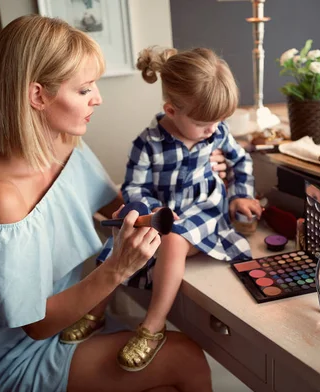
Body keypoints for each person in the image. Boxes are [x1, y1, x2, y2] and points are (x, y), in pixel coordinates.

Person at [0, 15, 225, 392]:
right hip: (21, 354)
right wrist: (118, 269)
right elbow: (35, 325)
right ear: (38, 96)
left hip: (77, 321)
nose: (98, 97)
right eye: (84, 89)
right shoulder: (1, 197)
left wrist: (184, 179)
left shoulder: (63, 143)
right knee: (186, 357)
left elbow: (119, 205)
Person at [92, 46, 263, 372]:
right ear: (171, 110)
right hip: (162, 215)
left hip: (205, 213)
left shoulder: (216, 133)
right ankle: (94, 313)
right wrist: (155, 212)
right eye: (204, 124)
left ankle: (153, 328)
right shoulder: (148, 143)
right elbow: (134, 188)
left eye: (219, 122)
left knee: (172, 239)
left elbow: (241, 160)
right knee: (117, 245)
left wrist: (241, 195)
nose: (213, 130)